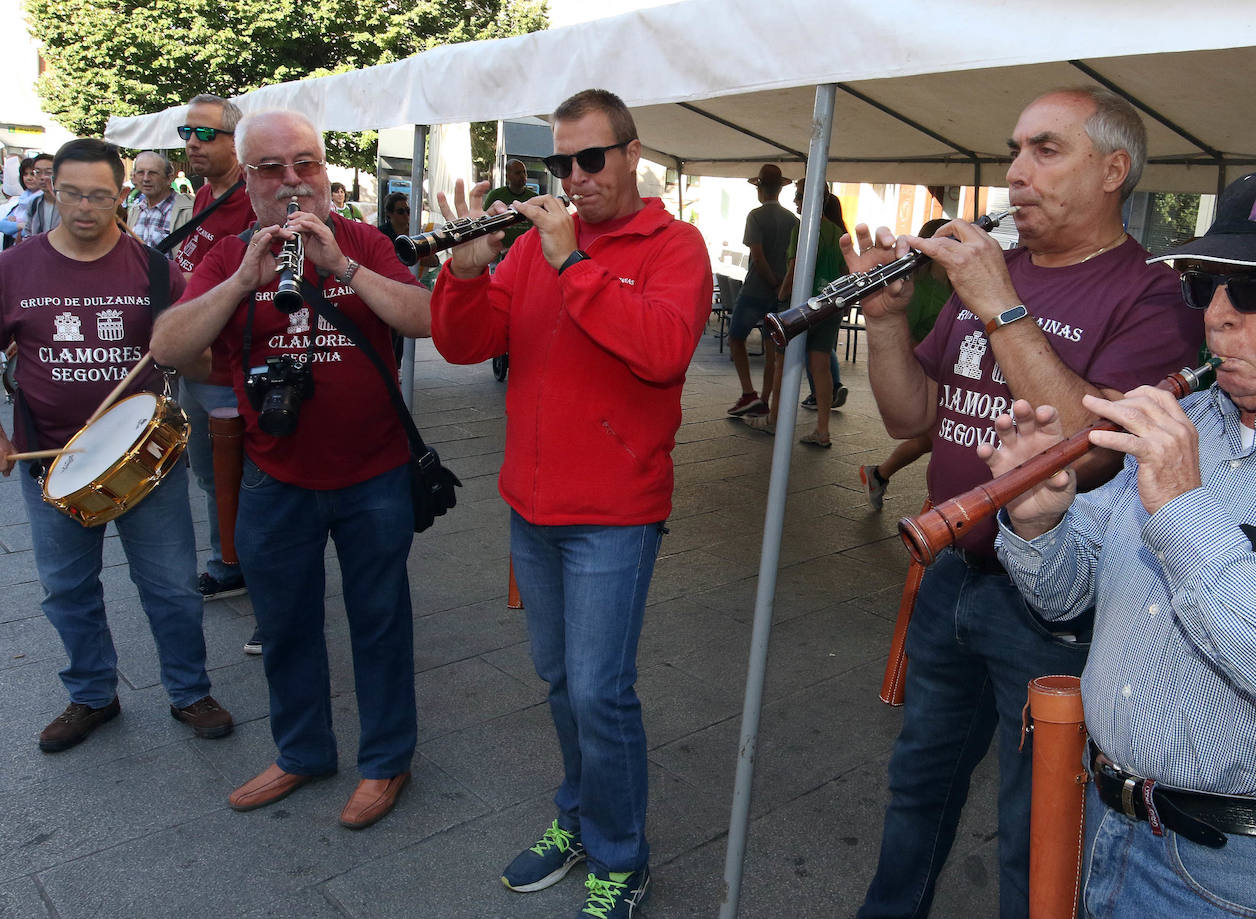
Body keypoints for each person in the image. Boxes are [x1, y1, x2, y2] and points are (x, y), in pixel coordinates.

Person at [848, 87, 1203, 919]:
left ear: (1114, 170)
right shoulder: (1001, 275)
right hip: (953, 576)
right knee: (915, 790)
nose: (1015, 174)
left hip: (1054, 607)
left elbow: (1088, 452)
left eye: (1047, 151)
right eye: (1015, 150)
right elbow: (910, 419)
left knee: (1036, 824)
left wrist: (1000, 305)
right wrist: (890, 321)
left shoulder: (1150, 295)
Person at [988, 162, 1256, 919]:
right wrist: (1038, 518)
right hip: (1101, 823)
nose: (1219, 316)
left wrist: (1186, 511)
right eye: (1206, 284)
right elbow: (1069, 595)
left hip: (1244, 878)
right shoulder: (1195, 418)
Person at [429, 88, 711, 918]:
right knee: (560, 680)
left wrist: (572, 264)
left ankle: (622, 855)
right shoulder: (539, 245)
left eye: (592, 158)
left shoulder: (675, 245)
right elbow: (465, 342)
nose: (576, 176)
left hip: (615, 511)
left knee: (599, 688)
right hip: (533, 503)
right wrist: (466, 271)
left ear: (631, 155)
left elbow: (662, 353)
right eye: (561, 161)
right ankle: (580, 816)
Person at [150, 109, 431, 830]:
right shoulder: (231, 256)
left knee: (380, 619)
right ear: (248, 179)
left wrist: (342, 266)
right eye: (272, 168)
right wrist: (242, 280)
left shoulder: (363, 239)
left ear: (325, 169)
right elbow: (170, 346)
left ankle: (386, 758)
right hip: (276, 479)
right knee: (284, 623)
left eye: (305, 163)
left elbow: (425, 319)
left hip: (373, 474)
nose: (293, 181)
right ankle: (303, 750)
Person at [0, 138, 233, 753]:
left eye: (100, 195)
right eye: (72, 193)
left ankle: (189, 690)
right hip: (50, 458)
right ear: (52, 191)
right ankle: (92, 695)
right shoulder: (14, 269)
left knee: (173, 585)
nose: (85, 207)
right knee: (66, 589)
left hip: (145, 460)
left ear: (121, 194)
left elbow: (201, 357)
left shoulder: (156, 270)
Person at [173, 94, 259, 629]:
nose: (192, 144)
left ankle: (259, 577)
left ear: (236, 142)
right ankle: (228, 561)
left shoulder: (253, 203)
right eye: (187, 132)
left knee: (244, 481)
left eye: (204, 134)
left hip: (232, 371)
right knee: (209, 477)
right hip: (198, 369)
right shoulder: (205, 195)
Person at [746, 182, 849, 445]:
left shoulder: (801, 229)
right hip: (828, 307)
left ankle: (774, 420)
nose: (795, 202)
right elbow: (843, 272)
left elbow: (794, 269)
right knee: (821, 367)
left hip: (801, 308)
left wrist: (780, 295)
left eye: (799, 196)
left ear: (814, 199)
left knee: (782, 365)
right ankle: (822, 430)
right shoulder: (837, 231)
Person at [859, 217, 951, 510]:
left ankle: (880, 474)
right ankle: (884, 476)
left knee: (934, 439)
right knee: (933, 438)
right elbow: (903, 338)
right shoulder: (917, 289)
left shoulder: (951, 286)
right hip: (924, 374)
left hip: (946, 374)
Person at [725, 163, 797, 419]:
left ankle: (748, 393)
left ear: (759, 189)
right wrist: (781, 287)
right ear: (780, 189)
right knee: (772, 349)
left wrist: (771, 281)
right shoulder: (793, 220)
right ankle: (764, 399)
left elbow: (757, 256)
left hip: (756, 288)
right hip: (779, 296)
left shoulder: (755, 216)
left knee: (735, 337)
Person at [126, 151, 194, 248]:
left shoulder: (188, 212)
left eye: (153, 173)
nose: (146, 178)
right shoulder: (135, 211)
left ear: (169, 179)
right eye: (140, 172)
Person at [483, 158, 537, 251]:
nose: (523, 176)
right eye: (518, 173)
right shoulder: (495, 195)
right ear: (508, 176)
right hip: (498, 253)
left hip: (525, 251)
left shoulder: (534, 198)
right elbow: (484, 220)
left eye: (524, 172)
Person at [22, 154, 57, 239]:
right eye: (37, 172)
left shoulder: (67, 203)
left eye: (48, 172)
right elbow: (27, 233)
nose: (42, 177)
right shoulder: (33, 203)